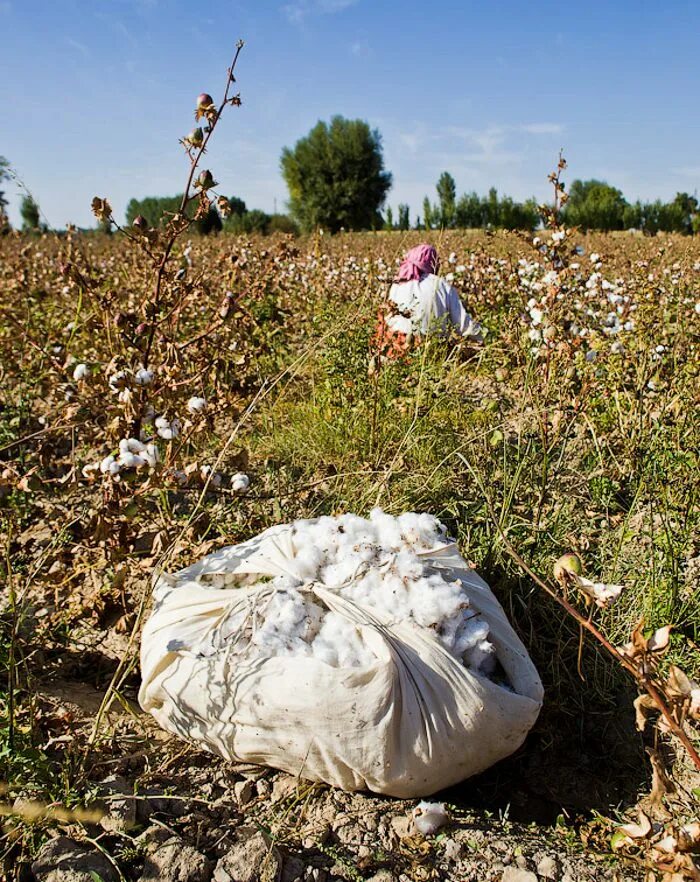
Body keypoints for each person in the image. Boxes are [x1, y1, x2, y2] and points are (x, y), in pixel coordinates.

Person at [376, 244, 482, 357]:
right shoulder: (441, 284)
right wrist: (480, 339)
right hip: (432, 351)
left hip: (396, 351)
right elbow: (463, 324)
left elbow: (388, 321)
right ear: (433, 262)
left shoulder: (397, 285)